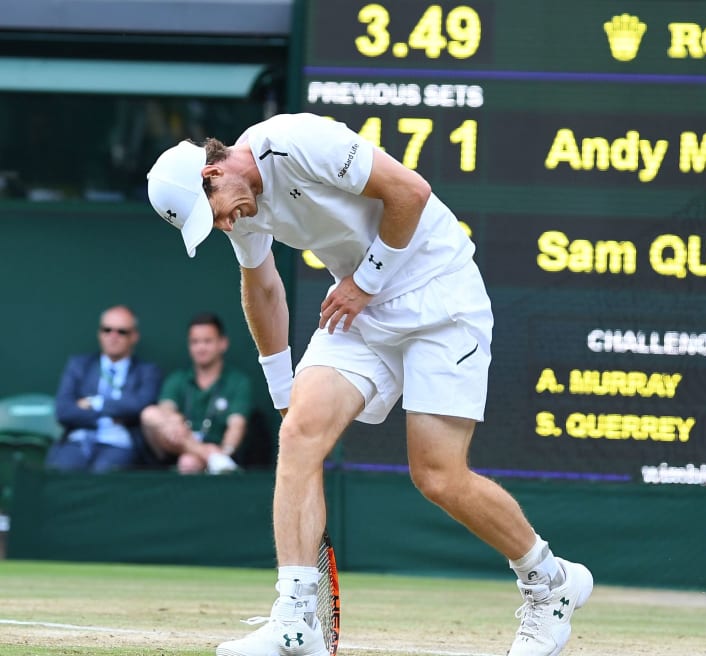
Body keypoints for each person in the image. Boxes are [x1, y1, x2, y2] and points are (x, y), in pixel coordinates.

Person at [145, 112, 592, 656]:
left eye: (211, 213)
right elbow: (262, 290)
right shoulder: (242, 212)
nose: (221, 225)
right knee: (299, 436)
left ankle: (551, 583)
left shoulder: (295, 142)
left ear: (213, 173)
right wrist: (283, 390)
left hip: (441, 298)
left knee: (438, 476)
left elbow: (410, 191)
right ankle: (295, 621)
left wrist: (364, 282)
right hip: (360, 315)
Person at [47, 305, 163, 472]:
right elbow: (64, 411)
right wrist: (116, 412)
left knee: (103, 476)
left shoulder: (147, 371)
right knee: (60, 471)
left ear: (134, 336)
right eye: (107, 330)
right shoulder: (79, 365)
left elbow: (140, 406)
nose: (113, 337)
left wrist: (95, 402)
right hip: (78, 439)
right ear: (99, 333)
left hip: (120, 443)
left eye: (121, 331)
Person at [140, 312, 253, 474]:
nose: (200, 348)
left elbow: (237, 425)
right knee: (150, 414)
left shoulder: (238, 382)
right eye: (195, 342)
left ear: (223, 343)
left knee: (189, 462)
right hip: (177, 447)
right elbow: (165, 409)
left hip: (218, 450)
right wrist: (174, 421)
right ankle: (213, 458)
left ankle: (217, 459)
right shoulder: (178, 379)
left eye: (207, 341)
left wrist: (225, 452)